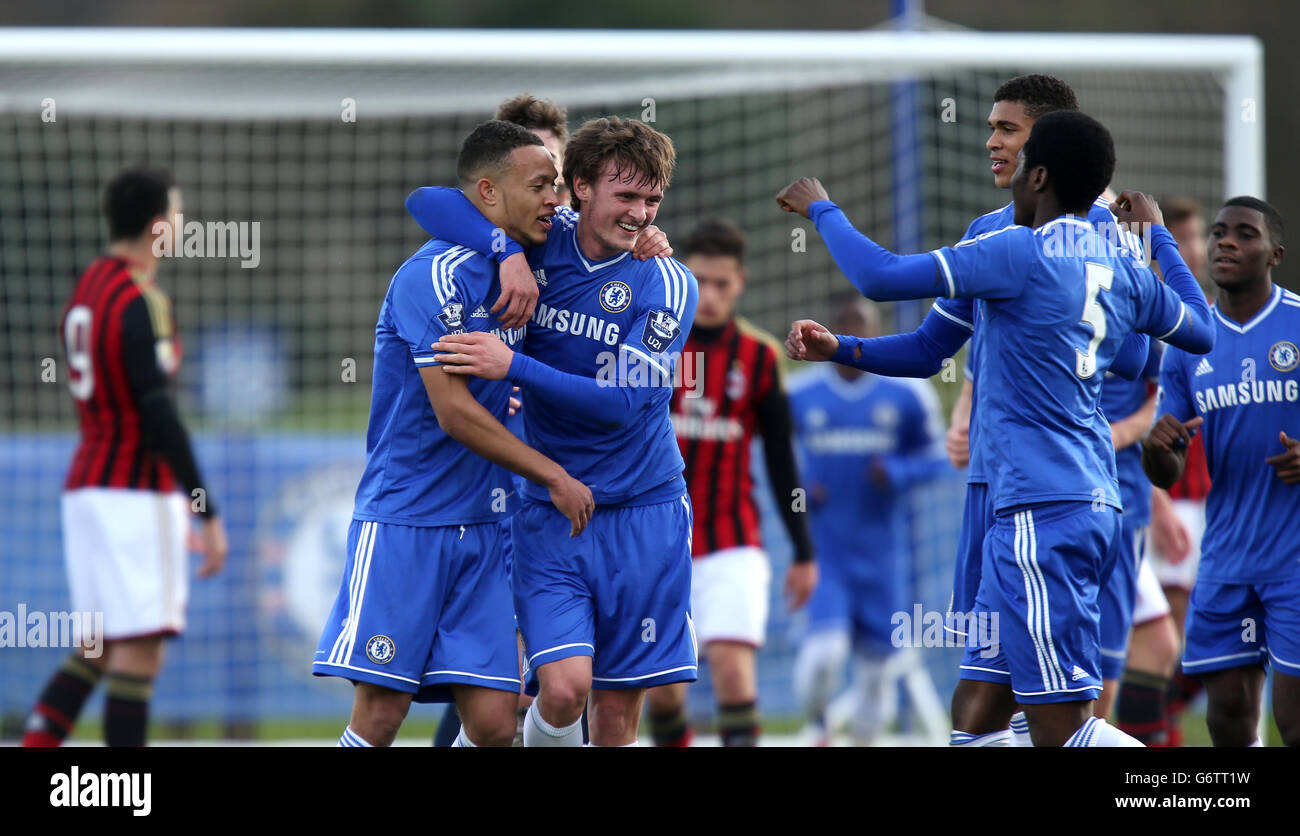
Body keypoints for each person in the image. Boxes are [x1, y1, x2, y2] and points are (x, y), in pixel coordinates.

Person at [777, 109, 1214, 746]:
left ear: (1038, 175)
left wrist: (822, 208)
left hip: (1043, 510)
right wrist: (1157, 240)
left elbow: (879, 276)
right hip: (1070, 499)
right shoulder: (1124, 269)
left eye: (1014, 143)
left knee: (1061, 729)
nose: (997, 155)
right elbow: (1184, 338)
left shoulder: (1015, 251)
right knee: (977, 714)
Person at [410, 115, 700, 747]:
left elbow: (623, 403)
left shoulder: (668, 281)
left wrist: (512, 364)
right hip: (550, 509)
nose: (641, 214)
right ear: (580, 188)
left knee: (617, 715)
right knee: (563, 688)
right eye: (626, 196)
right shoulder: (544, 241)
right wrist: (506, 253)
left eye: (653, 199)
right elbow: (426, 202)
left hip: (644, 512)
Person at [313, 120, 596, 748]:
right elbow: (455, 413)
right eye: (541, 184)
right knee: (382, 717)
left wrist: (649, 238)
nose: (556, 198)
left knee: (496, 724)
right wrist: (552, 474)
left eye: (559, 184)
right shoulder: (433, 276)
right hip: (408, 523)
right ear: (490, 192)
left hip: (488, 528)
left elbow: (601, 226)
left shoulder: (540, 246)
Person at [23, 166, 229, 747]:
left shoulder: (86, 290)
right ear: (159, 227)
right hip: (133, 491)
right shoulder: (141, 298)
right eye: (180, 215)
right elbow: (157, 413)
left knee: (99, 645)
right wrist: (204, 510)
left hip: (87, 489)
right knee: (140, 654)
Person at [642, 218, 816, 747]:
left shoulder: (761, 357)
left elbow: (783, 462)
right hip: (655, 540)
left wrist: (803, 552)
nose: (711, 295)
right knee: (664, 690)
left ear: (740, 281)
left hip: (733, 539)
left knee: (732, 670)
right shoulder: (651, 346)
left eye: (723, 283)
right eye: (701, 282)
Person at [1142, 196, 1300, 747]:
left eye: (1244, 234)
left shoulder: (1297, 323)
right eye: (1218, 233)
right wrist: (1156, 448)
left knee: (1293, 719)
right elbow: (1167, 468)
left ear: (1274, 252)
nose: (1225, 242)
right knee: (1227, 716)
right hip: (1227, 555)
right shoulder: (1188, 344)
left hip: (1294, 558)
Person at [787, 296, 947, 745]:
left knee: (877, 678)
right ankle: (818, 724)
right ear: (831, 331)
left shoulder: (907, 392)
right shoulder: (801, 395)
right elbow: (774, 459)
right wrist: (800, 488)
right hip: (826, 554)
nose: (858, 335)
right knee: (826, 652)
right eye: (848, 324)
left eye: (867, 327)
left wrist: (896, 471)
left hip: (883, 555)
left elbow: (939, 458)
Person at [1143, 197, 1214, 745]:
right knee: (1167, 637)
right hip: (1163, 497)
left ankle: (1151, 726)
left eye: (1196, 239)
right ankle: (1152, 734)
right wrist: (1157, 502)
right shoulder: (1150, 316)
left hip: (1215, 498)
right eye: (1180, 239)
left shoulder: (1214, 316)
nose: (1191, 250)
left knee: (1197, 640)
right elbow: (1136, 414)